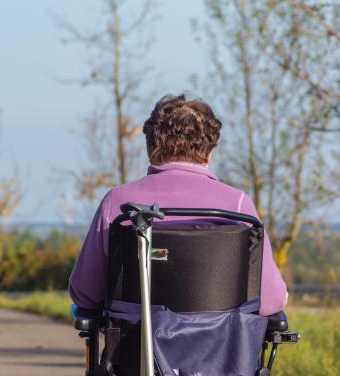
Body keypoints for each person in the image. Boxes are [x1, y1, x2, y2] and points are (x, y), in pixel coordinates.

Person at [69, 94, 287, 316]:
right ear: (209, 153)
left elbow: (85, 293)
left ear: (150, 148)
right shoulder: (237, 206)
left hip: (134, 346)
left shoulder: (118, 202)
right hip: (220, 347)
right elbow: (271, 300)